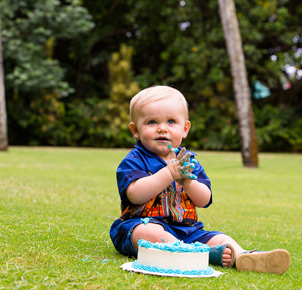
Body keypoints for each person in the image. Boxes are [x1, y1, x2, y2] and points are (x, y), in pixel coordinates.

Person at [109, 85, 291, 274]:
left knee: (221, 239)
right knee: (147, 233)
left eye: (171, 121)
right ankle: (194, 254)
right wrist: (169, 174)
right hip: (140, 225)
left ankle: (243, 255)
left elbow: (204, 200)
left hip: (188, 231)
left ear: (185, 128)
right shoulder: (134, 160)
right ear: (135, 130)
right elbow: (135, 195)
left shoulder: (189, 162)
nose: (162, 129)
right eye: (152, 122)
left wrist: (187, 182)